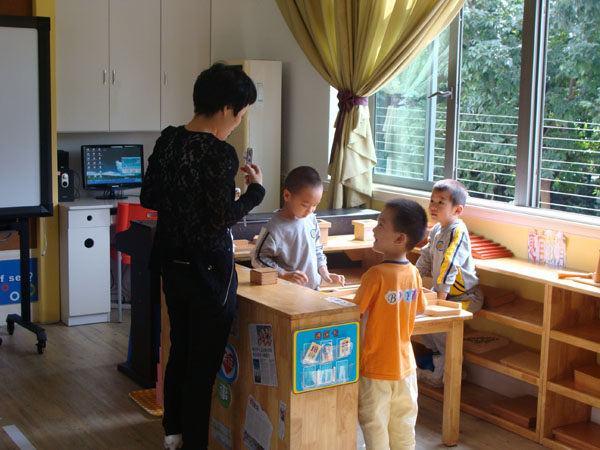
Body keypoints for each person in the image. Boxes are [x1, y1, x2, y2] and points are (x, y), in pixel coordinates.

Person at [140, 63, 265, 450]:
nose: (237, 123)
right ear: (227, 108)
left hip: (172, 264)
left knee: (180, 351)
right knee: (202, 367)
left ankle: (173, 435)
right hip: (210, 273)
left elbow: (149, 197)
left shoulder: (169, 139)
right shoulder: (219, 152)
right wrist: (255, 192)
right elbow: (221, 217)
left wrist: (186, 201)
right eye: (240, 115)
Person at [353, 198, 428, 450]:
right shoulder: (414, 272)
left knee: (374, 423)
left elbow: (354, 314)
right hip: (406, 365)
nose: (374, 229)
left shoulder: (375, 275)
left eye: (381, 224)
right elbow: (420, 308)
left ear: (399, 238)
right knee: (404, 423)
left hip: (375, 366)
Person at [415, 179, 483, 387]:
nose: (433, 207)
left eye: (441, 202)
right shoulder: (437, 229)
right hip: (442, 292)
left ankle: (449, 377)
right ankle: (439, 367)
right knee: (421, 323)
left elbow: (450, 263)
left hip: (464, 297)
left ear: (457, 210)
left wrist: (440, 297)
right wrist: (413, 279)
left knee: (441, 330)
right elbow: (426, 256)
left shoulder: (457, 232)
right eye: (432, 201)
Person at [251, 166, 345, 290]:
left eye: (315, 205)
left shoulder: (311, 219)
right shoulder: (274, 228)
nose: (310, 210)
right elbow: (258, 258)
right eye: (305, 205)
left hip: (313, 289)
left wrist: (325, 273)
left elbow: (317, 249)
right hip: (288, 293)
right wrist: (283, 274)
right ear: (287, 195)